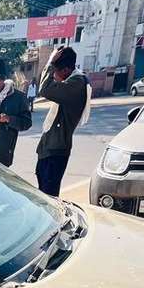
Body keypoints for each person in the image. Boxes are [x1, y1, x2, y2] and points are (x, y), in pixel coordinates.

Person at [35, 47, 91, 197]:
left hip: (56, 150)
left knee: (49, 197)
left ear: (65, 70)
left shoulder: (76, 83)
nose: (53, 75)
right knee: (43, 194)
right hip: (50, 148)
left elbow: (45, 89)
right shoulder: (71, 82)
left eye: (55, 71)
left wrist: (50, 62)